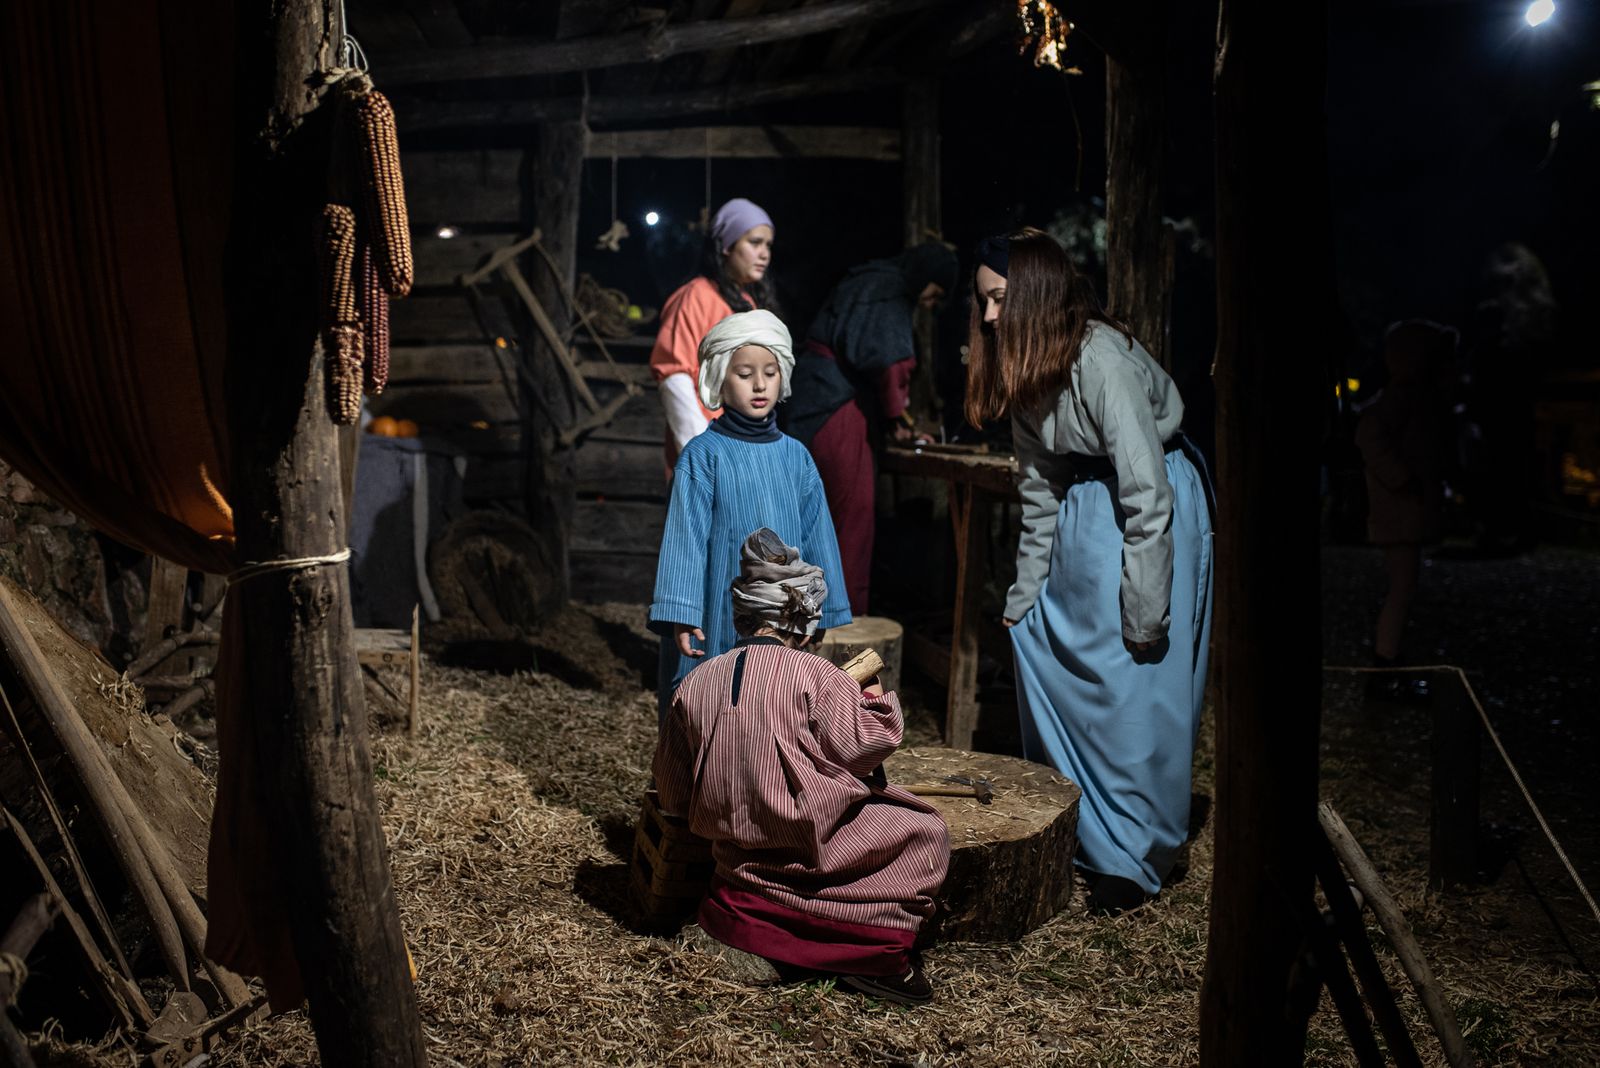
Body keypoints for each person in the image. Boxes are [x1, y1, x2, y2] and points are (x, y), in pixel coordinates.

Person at [966, 227, 1214, 916]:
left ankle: (1134, 855)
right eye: (984, 301)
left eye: (1002, 299)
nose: (989, 316)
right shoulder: (1027, 366)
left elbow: (1146, 493)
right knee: (1049, 643)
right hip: (1089, 508)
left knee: (1134, 680)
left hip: (1151, 504)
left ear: (1038, 296)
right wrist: (1025, 594)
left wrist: (1145, 607)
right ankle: (1084, 822)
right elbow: (1039, 488)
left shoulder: (1099, 360)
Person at [654, 528, 950, 1005]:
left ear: (741, 616)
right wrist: (873, 702)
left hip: (739, 858)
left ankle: (756, 928)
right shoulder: (819, 676)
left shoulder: (696, 682)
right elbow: (863, 749)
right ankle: (870, 955)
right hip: (811, 842)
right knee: (924, 830)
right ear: (805, 622)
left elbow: (672, 793)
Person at [649, 311, 852, 719]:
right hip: (714, 612)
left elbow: (818, 536)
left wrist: (823, 609)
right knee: (706, 707)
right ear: (720, 378)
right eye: (744, 374)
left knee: (771, 710)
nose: (760, 385)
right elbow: (685, 540)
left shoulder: (797, 457)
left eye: (770, 372)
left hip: (784, 616)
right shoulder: (703, 457)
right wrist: (682, 614)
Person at [781, 243, 958, 613]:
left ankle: (800, 621)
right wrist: (896, 417)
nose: (929, 304)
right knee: (852, 519)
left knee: (812, 518)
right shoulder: (889, 290)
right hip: (836, 408)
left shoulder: (868, 279)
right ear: (924, 278)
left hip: (811, 399)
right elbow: (892, 362)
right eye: (934, 294)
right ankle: (841, 623)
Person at [1355, 320, 1456, 700]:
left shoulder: (1409, 396)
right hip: (1400, 508)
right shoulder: (1404, 397)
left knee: (1404, 588)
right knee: (1402, 589)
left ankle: (1390, 663)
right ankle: (1386, 665)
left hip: (1403, 506)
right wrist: (1404, 479)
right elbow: (1370, 434)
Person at [649, 197, 779, 470]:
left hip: (744, 446)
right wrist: (702, 456)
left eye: (768, 245)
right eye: (754, 243)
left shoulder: (746, 304)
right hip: (710, 447)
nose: (764, 253)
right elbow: (675, 377)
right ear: (727, 246)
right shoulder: (696, 297)